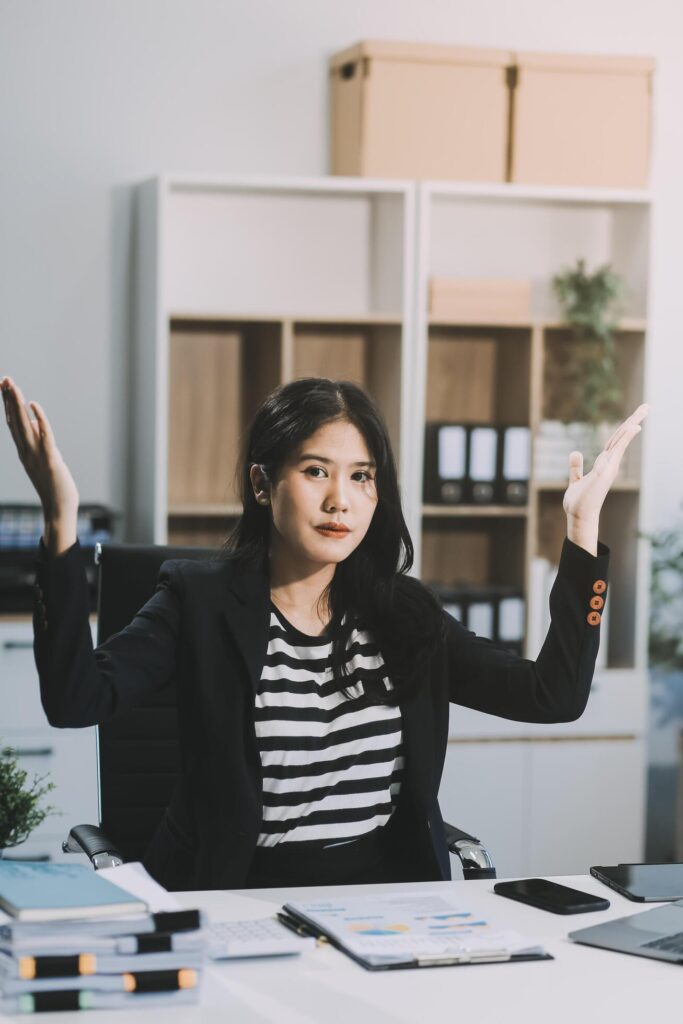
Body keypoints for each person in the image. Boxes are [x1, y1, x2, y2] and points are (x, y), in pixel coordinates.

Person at [1, 374, 648, 891]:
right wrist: (60, 524)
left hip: (386, 902)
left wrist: (580, 533)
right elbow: (76, 700)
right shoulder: (196, 602)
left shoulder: (403, 615)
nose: (340, 499)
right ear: (263, 483)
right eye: (315, 471)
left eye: (360, 476)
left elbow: (551, 696)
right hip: (232, 899)